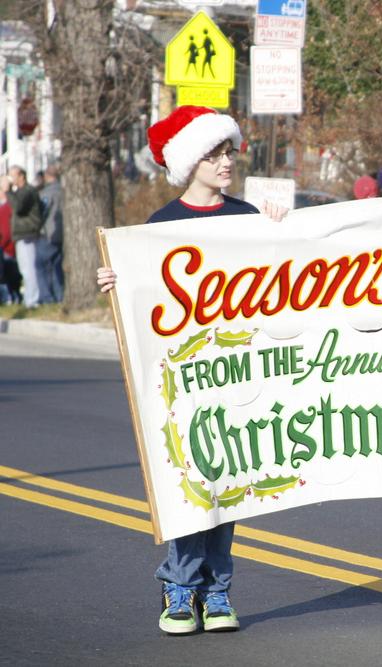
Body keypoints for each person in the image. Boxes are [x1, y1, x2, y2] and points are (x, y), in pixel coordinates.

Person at [97, 106, 286, 635]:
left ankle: (218, 590)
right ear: (189, 163)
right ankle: (180, 586)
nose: (227, 161)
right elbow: (147, 299)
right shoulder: (159, 227)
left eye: (229, 150)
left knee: (228, 482)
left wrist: (279, 236)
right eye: (214, 153)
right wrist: (118, 281)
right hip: (182, 378)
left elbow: (280, 286)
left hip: (236, 373)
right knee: (189, 482)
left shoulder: (247, 216)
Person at [0, 166, 44, 308]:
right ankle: (30, 299)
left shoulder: (27, 190)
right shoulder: (19, 192)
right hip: (22, 235)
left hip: (28, 234)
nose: (11, 179)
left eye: (13, 175)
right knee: (25, 269)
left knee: (29, 268)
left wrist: (7, 191)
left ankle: (33, 300)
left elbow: (18, 207)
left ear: (21, 176)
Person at [37, 165, 64, 304]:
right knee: (56, 266)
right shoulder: (63, 190)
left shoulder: (47, 192)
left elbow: (42, 211)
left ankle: (47, 298)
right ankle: (59, 296)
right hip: (61, 233)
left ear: (47, 176)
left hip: (48, 233)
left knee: (41, 266)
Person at [0, 192, 22, 304]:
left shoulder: (5, 208)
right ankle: (12, 296)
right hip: (9, 246)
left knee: (7, 276)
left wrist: (2, 244)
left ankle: (10, 297)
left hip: (7, 247)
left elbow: (5, 231)